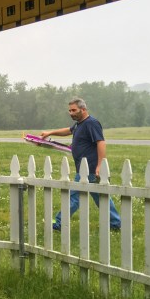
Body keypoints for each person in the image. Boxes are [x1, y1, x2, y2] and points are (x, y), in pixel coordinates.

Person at [40, 98, 121, 231]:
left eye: (74, 110)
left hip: (89, 169)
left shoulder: (91, 123)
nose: (71, 113)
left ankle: (58, 223)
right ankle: (116, 223)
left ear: (83, 109)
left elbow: (101, 143)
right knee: (101, 197)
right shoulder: (79, 124)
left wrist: (100, 165)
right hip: (84, 169)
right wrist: (50, 133)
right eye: (69, 110)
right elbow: (68, 130)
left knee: (74, 197)